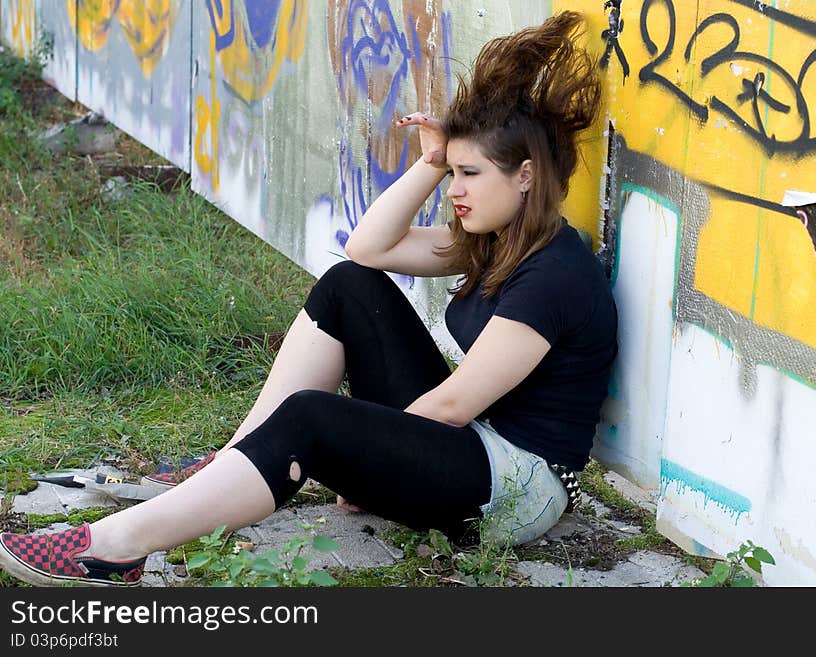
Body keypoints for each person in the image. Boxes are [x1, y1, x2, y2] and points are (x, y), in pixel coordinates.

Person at [0, 10, 617, 587]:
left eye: (469, 175)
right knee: (350, 289)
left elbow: (455, 404)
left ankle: (113, 548)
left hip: (512, 488)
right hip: (473, 446)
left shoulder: (555, 274)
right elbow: (367, 252)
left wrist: (374, 457)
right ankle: (234, 462)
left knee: (313, 418)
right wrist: (431, 161)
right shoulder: (499, 239)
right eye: (452, 174)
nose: (455, 190)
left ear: (526, 175)